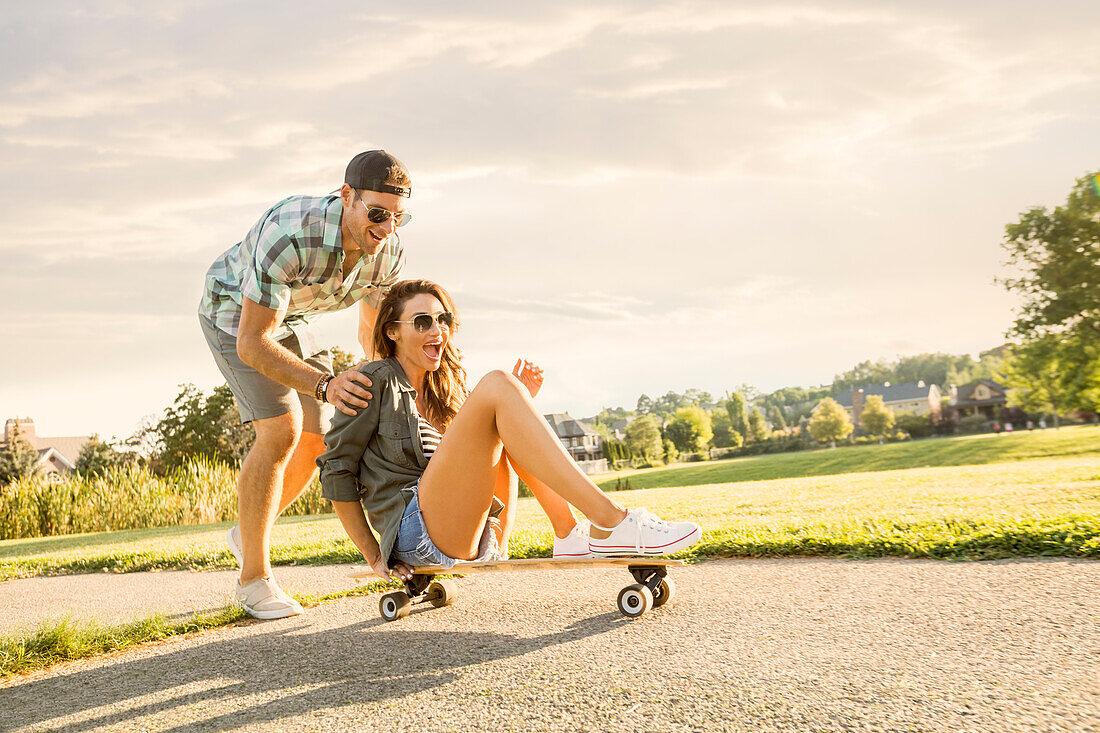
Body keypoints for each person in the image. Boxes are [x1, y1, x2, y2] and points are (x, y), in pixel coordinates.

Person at [317, 280, 702, 582]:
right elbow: (336, 470)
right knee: (499, 382)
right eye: (422, 322)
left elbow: (472, 463)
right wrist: (373, 554)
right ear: (392, 332)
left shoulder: (443, 390)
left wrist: (519, 405)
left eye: (442, 320)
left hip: (463, 530)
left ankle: (568, 534)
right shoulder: (372, 381)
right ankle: (614, 521)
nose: (437, 330)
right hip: (413, 533)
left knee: (505, 397)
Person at [198, 151, 412, 619]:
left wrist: (386, 395)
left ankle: (247, 531)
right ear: (346, 196)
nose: (387, 228)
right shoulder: (292, 234)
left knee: (319, 433)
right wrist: (326, 383)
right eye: (377, 214)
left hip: (296, 317)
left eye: (399, 216)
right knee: (282, 429)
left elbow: (371, 334)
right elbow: (254, 343)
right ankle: (253, 581)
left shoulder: (388, 250)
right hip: (235, 315)